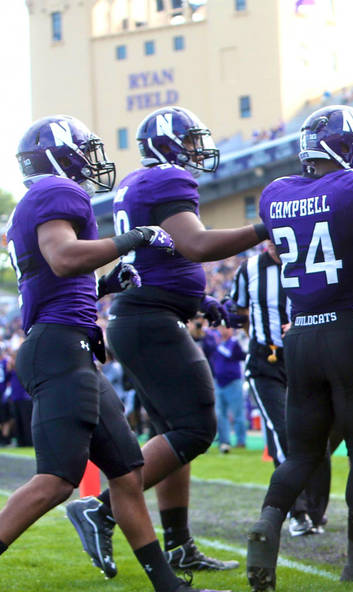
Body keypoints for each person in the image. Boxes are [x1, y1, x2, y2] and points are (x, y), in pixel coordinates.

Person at [0, 115, 218, 592]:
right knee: (57, 480)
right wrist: (134, 238)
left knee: (127, 472)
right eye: (82, 150)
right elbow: (62, 257)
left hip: (69, 345)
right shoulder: (58, 193)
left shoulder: (39, 200)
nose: (89, 160)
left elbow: (56, 278)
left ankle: (169, 585)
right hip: (59, 348)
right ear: (57, 155)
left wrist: (103, 285)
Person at [66, 106, 268, 578]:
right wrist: (266, 229)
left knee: (173, 433)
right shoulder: (165, 180)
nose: (198, 150)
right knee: (196, 429)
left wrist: (196, 302)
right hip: (148, 319)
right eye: (191, 142)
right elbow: (195, 245)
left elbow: (165, 258)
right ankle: (101, 508)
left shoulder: (142, 183)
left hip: (147, 314)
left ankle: (178, 545)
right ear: (170, 145)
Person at [245, 105, 353, 591]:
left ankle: (267, 526)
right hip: (350, 327)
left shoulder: (275, 194)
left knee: (300, 454)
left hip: (302, 335)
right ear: (345, 146)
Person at [231, 242, 331, 536]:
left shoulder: (307, 260)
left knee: (319, 439)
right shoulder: (249, 268)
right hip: (266, 363)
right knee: (284, 432)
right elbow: (239, 309)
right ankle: (296, 512)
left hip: (305, 358)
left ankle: (314, 510)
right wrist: (263, 340)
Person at [209, 325, 247, 453]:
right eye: (221, 328)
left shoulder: (235, 343)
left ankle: (241, 441)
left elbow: (240, 355)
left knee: (238, 413)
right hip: (218, 382)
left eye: (226, 328)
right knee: (220, 414)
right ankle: (224, 441)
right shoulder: (215, 342)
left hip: (233, 381)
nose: (223, 330)